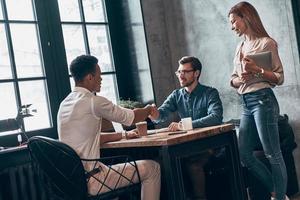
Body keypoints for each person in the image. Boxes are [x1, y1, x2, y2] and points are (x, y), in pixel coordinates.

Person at [57, 55, 160, 200]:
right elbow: (131, 118)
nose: (101, 78)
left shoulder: (64, 104)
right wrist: (149, 109)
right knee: (152, 168)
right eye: (99, 75)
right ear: (89, 77)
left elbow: (90, 138)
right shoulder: (93, 101)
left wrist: (123, 135)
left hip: (72, 181)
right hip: (92, 179)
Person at [228, 2, 288, 200]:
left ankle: (278, 197)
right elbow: (233, 79)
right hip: (245, 102)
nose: (232, 26)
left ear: (245, 17)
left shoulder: (266, 43)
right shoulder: (240, 46)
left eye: (234, 21)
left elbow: (279, 77)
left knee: (272, 153)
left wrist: (258, 71)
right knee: (244, 154)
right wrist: (240, 79)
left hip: (263, 100)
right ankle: (277, 191)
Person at [150, 56, 223, 199]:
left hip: (208, 145)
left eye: (185, 72)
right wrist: (154, 114)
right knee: (161, 165)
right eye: (179, 72)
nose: (180, 76)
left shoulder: (210, 93)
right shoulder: (176, 95)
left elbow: (216, 117)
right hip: (185, 147)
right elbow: (161, 115)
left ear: (196, 73)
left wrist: (184, 125)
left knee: (193, 165)